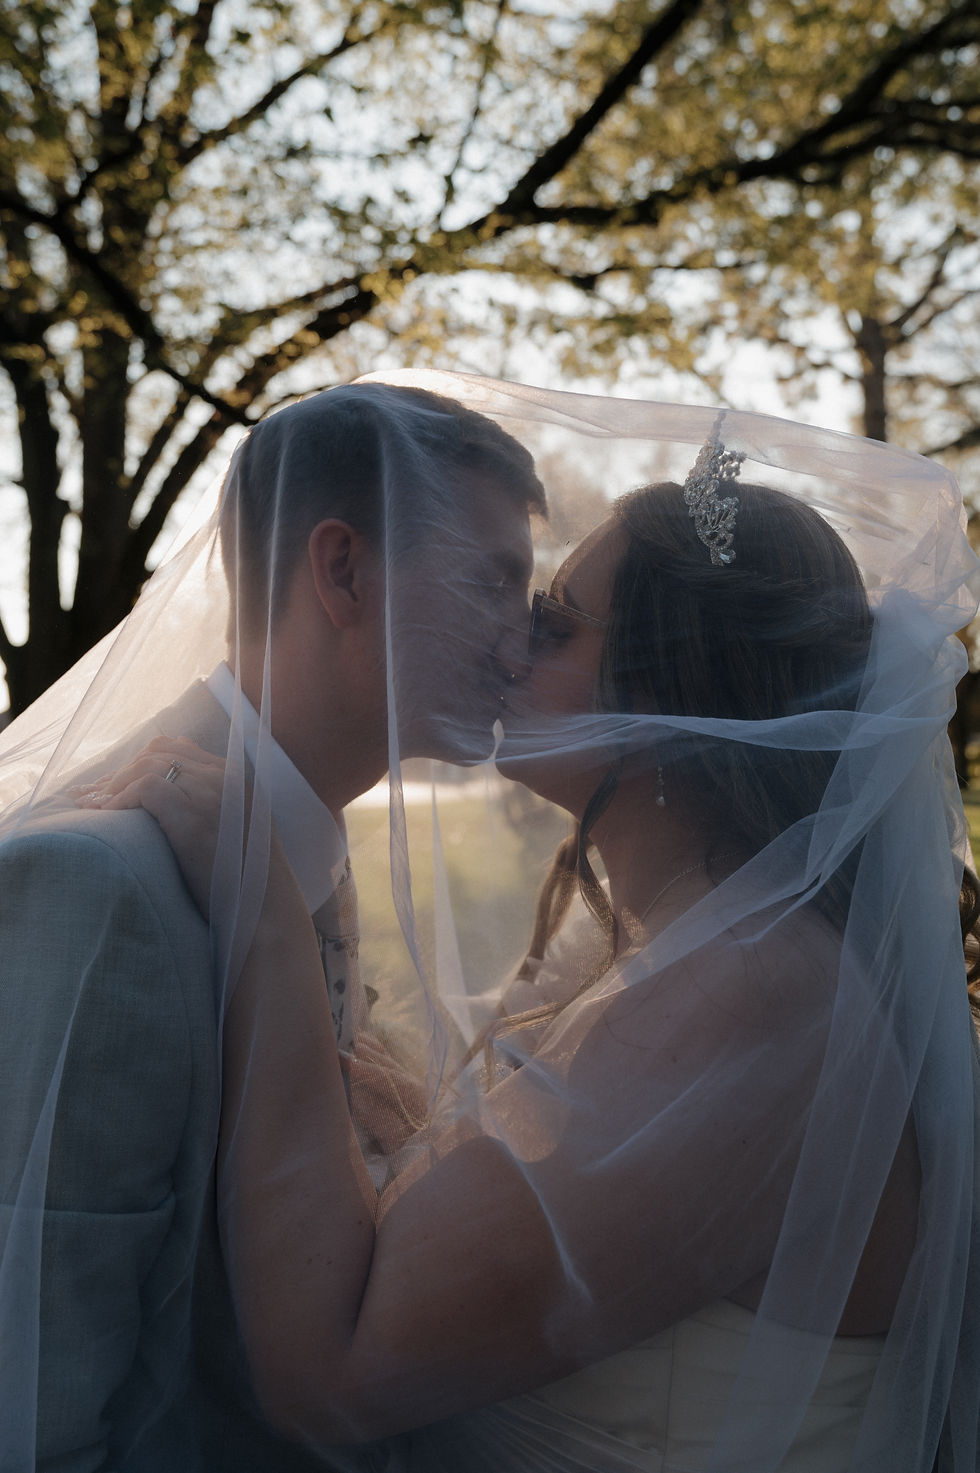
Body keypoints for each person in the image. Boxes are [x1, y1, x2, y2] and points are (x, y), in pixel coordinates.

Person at [83, 376, 980, 1473]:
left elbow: (333, 1376)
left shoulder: (761, 994)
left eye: (550, 619)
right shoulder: (713, 961)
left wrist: (264, 912)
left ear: (671, 690)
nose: (508, 646)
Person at [0, 381, 544, 1473]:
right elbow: (35, 1394)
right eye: (493, 585)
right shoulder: (96, 882)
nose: (519, 643)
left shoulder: (305, 866)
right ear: (341, 570)